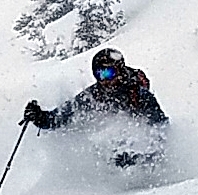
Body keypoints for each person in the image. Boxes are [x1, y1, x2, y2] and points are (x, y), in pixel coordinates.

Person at [23, 48, 168, 167]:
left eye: (109, 73)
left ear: (119, 71)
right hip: (118, 156)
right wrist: (39, 117)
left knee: (125, 133)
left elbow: (161, 127)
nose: (105, 80)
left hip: (146, 152)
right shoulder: (94, 95)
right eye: (100, 74)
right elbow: (59, 118)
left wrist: (142, 157)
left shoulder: (138, 94)